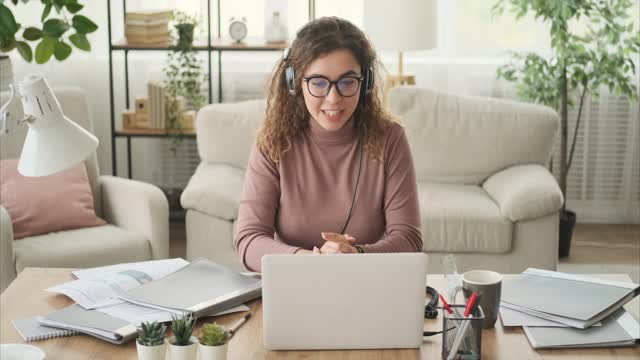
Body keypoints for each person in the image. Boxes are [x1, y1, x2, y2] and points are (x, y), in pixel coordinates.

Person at [234, 17, 422, 272]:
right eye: (319, 83)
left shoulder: (390, 139)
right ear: (295, 83)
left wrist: (356, 254)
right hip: (293, 281)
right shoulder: (273, 142)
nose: (333, 99)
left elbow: (409, 239)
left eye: (347, 82)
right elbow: (248, 240)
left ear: (364, 83)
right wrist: (310, 261)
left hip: (365, 281)